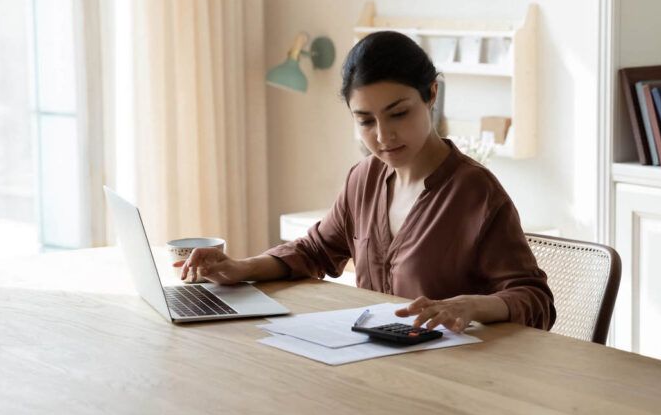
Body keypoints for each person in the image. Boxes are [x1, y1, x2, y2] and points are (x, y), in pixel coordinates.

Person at [180, 31, 555, 332]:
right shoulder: (365, 179)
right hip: (371, 367)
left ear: (432, 95)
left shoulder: (477, 193)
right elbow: (314, 251)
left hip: (455, 382)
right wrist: (242, 268)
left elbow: (536, 300)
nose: (383, 136)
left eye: (399, 113)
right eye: (365, 121)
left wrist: (471, 305)